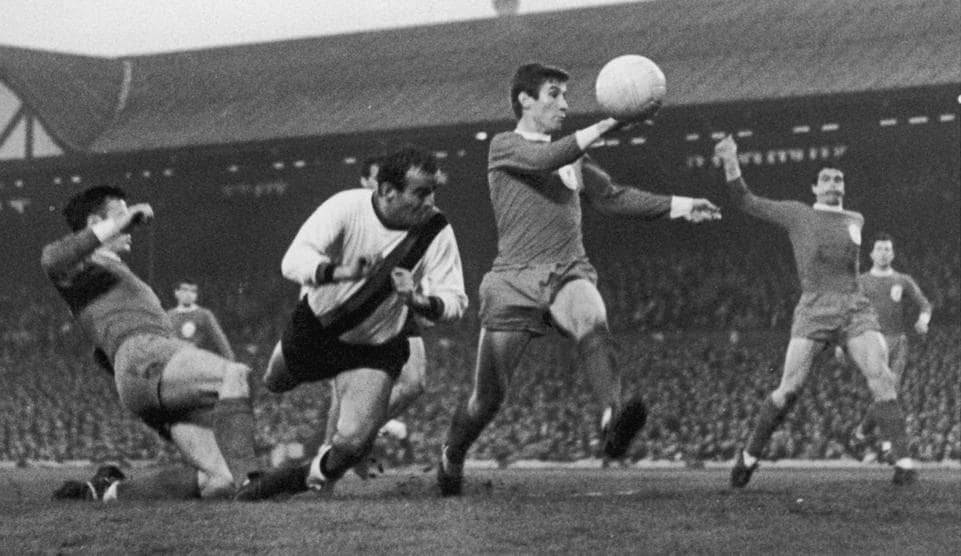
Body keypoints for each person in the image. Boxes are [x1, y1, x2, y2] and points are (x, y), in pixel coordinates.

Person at [436, 62, 721, 496]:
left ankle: (611, 417)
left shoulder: (575, 157)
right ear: (524, 100)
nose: (565, 104)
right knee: (488, 399)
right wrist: (609, 122)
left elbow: (612, 197)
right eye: (554, 94)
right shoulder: (504, 146)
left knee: (592, 317)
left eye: (566, 96)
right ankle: (453, 453)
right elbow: (545, 158)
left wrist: (680, 205)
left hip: (567, 268)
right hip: (513, 279)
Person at [236, 147, 467, 500]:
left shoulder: (436, 229)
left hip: (374, 348)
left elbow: (455, 300)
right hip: (317, 330)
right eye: (421, 192)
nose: (430, 201)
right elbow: (293, 260)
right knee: (274, 382)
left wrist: (418, 301)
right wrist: (342, 271)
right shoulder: (346, 206)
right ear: (387, 190)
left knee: (352, 443)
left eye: (433, 191)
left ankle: (292, 479)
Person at [714, 136, 918, 487]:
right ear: (815, 188)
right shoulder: (798, 214)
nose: (833, 183)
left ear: (844, 187)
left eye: (838, 179)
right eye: (826, 179)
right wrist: (731, 159)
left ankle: (903, 462)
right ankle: (748, 458)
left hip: (855, 308)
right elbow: (746, 200)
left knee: (882, 377)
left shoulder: (856, 219)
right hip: (814, 308)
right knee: (789, 389)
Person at [42, 186, 259, 502]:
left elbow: (101, 355)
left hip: (147, 375)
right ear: (95, 222)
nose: (129, 225)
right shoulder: (85, 264)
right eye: (120, 214)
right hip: (146, 356)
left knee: (220, 482)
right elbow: (51, 259)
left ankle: (106, 491)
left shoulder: (112, 274)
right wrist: (121, 221)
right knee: (235, 374)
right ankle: (255, 479)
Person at [303, 155, 428, 477]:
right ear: (364, 182)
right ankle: (327, 465)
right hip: (353, 313)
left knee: (415, 383)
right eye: (377, 179)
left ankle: (356, 441)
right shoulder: (347, 216)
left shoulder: (406, 215)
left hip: (396, 308)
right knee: (344, 394)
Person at [853, 232, 932, 459]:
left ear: (893, 254)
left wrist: (923, 321)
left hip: (898, 342)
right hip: (873, 342)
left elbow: (925, 305)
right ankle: (870, 436)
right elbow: (849, 311)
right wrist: (841, 342)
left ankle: (873, 438)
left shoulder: (902, 280)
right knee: (885, 393)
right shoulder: (862, 282)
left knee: (890, 392)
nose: (883, 253)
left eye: (887, 249)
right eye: (879, 249)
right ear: (871, 254)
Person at [167, 279, 236, 360]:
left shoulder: (204, 315)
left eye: (193, 291)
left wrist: (231, 360)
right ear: (177, 293)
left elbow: (220, 339)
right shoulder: (169, 315)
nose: (189, 294)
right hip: (173, 361)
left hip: (197, 361)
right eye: (185, 290)